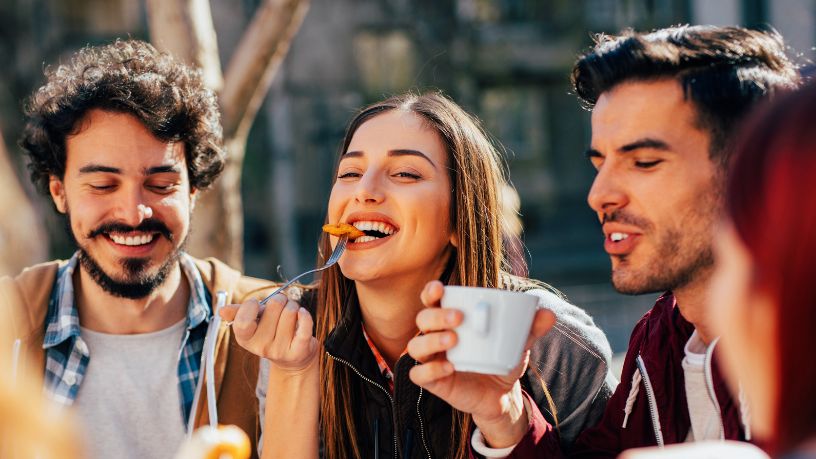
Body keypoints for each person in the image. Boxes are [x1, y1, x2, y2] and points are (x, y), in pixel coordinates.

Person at [223, 92, 616, 458]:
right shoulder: (296, 335)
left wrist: (506, 419)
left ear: (459, 220)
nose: (365, 190)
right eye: (349, 172)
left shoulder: (548, 342)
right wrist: (294, 372)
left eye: (406, 174)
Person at [494, 25, 801, 457]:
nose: (599, 195)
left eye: (643, 162)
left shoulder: (796, 346)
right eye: (600, 162)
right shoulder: (658, 338)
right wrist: (503, 415)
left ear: (751, 167)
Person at [0, 39, 277, 459]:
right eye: (103, 185)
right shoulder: (8, 327)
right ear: (59, 191)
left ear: (194, 191)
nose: (133, 212)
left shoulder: (270, 331)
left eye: (161, 185)